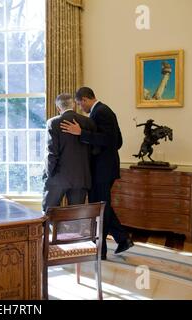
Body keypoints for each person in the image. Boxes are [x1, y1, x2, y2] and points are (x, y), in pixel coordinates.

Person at [60, 87, 133, 260]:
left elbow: (111, 140)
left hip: (103, 170)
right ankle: (122, 239)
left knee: (99, 208)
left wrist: (81, 133)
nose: (80, 108)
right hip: (104, 168)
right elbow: (118, 141)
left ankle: (102, 250)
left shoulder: (101, 112)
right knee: (102, 206)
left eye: (79, 103)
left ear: (85, 99)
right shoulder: (103, 111)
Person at [42, 93, 96, 212]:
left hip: (58, 177)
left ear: (58, 108)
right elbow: (94, 149)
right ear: (74, 106)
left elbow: (52, 152)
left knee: (48, 213)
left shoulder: (53, 123)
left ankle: (50, 231)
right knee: (75, 217)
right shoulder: (88, 122)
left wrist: (47, 174)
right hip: (81, 177)